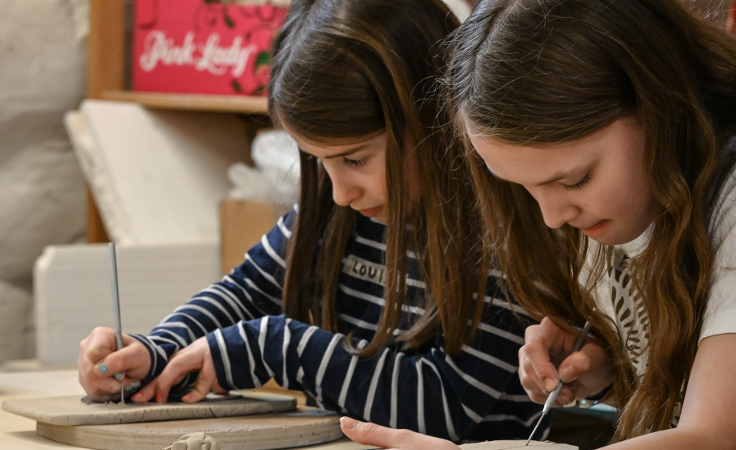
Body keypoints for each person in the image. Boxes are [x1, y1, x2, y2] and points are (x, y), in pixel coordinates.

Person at [76, 0, 550, 442]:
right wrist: (156, 350)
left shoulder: (505, 237)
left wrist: (274, 346)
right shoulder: (336, 212)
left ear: (432, 117)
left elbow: (439, 407)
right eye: (320, 161)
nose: (340, 193)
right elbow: (244, 293)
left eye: (355, 159)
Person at [341, 0, 736, 448]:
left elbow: (713, 437)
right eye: (525, 188)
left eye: (574, 180)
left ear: (659, 105)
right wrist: (609, 373)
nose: (552, 216)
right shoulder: (621, 207)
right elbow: (684, 402)